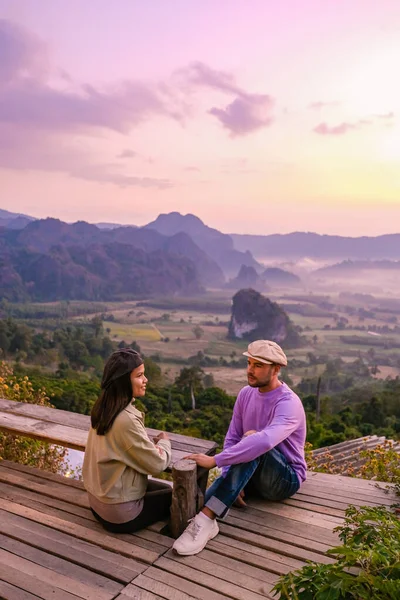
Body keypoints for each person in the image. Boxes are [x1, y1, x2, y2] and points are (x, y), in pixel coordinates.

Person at [173, 339, 307, 556]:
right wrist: (228, 472)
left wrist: (215, 461)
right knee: (245, 441)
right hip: (251, 473)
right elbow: (232, 437)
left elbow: (263, 442)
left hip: (284, 479)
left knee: (254, 439)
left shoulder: (288, 403)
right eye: (250, 363)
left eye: (258, 366)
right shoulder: (246, 394)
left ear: (276, 369)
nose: (250, 370)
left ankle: (207, 518)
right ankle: (203, 516)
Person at [82, 348, 172, 533]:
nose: (145, 380)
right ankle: (173, 537)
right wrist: (164, 442)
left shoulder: (103, 407)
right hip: (119, 515)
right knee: (181, 496)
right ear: (124, 381)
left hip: (97, 503)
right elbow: (158, 463)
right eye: (140, 376)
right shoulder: (126, 419)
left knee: (162, 488)